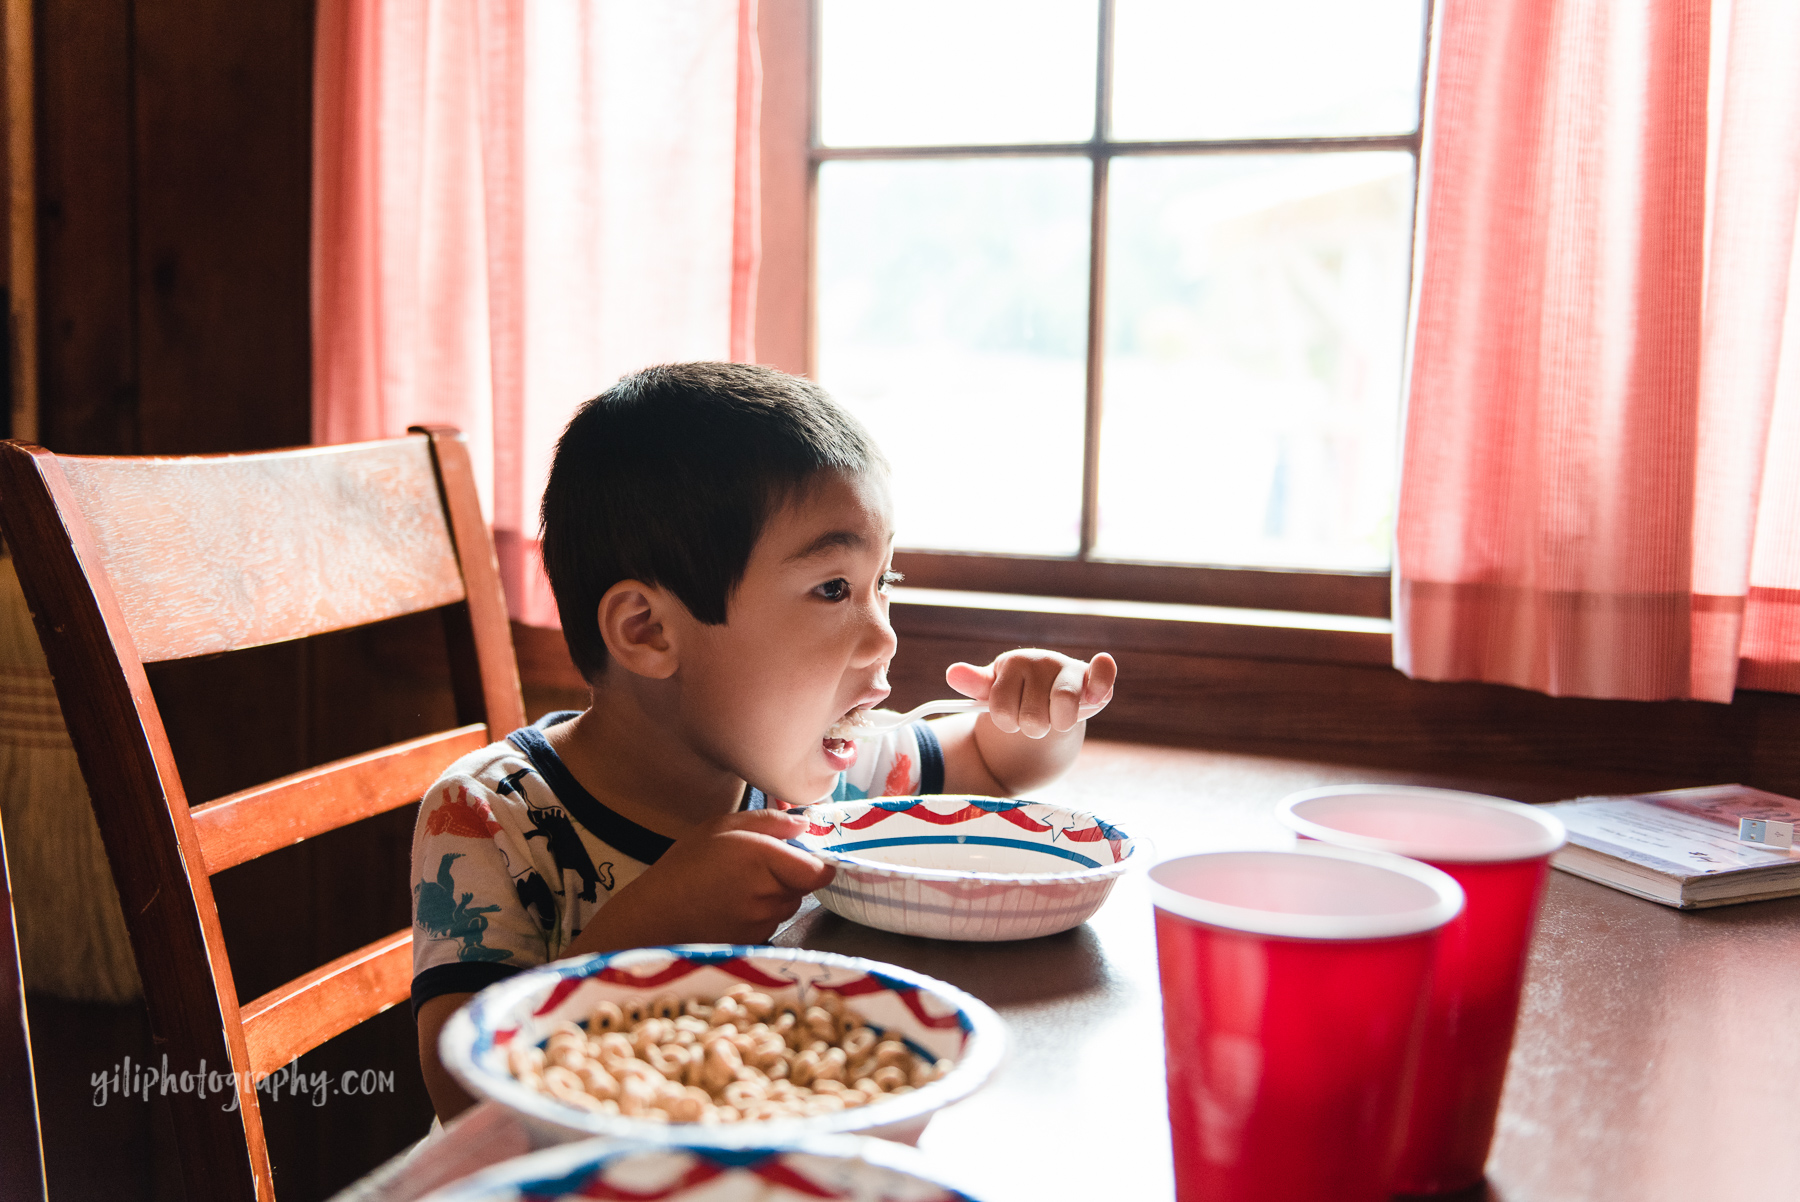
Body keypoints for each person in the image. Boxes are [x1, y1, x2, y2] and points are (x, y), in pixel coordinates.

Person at [411, 362, 1117, 1119]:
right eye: (833, 589)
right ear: (648, 632)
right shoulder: (489, 817)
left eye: (885, 581)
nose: (884, 635)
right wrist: (653, 926)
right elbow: (461, 1096)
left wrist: (1044, 711)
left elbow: (993, 762)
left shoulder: (817, 779)